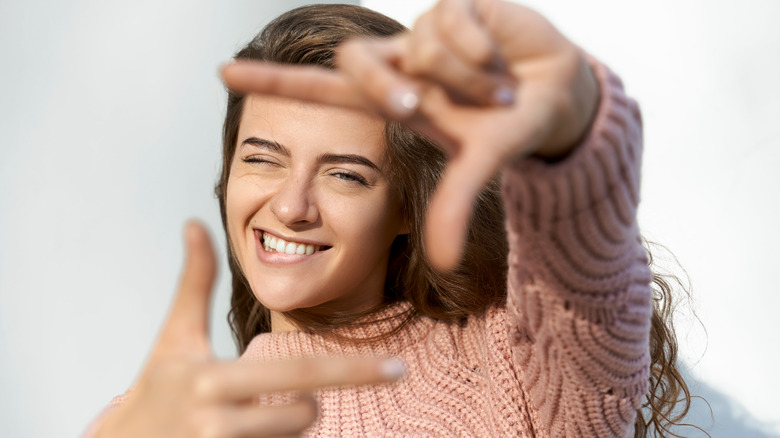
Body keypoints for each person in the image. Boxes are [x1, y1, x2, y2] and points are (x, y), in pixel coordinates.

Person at [86, 1, 697, 437]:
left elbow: (585, 289)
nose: (291, 206)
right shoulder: (168, 419)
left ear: (407, 205)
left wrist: (571, 125)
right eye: (262, 160)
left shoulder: (509, 359)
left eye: (345, 173)